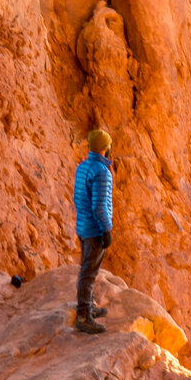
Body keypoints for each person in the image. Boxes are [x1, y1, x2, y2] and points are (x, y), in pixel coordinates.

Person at [73, 127, 114, 335]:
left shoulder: (82, 167)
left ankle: (88, 306)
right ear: (106, 148)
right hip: (94, 230)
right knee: (88, 273)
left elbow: (78, 198)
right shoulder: (102, 172)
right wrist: (106, 230)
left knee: (87, 268)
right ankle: (83, 317)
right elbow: (99, 206)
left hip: (83, 226)